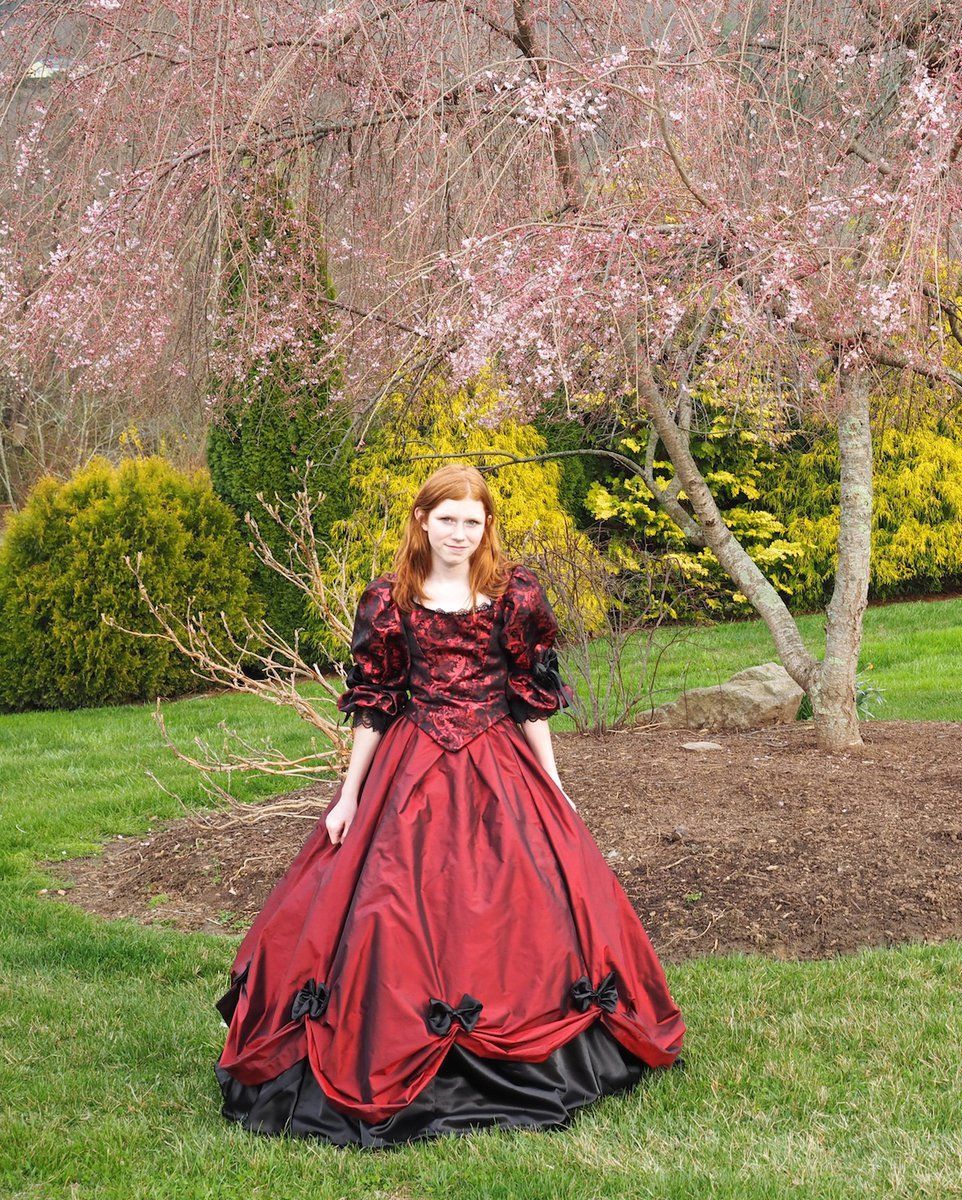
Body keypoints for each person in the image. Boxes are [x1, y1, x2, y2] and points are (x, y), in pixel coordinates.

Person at [213, 464, 686, 1148]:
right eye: (447, 519)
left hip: (501, 766)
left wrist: (554, 785)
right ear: (422, 521)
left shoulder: (514, 596)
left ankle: (532, 1047)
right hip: (411, 773)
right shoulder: (388, 601)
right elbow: (374, 705)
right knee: (389, 904)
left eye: (473, 520)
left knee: (524, 902)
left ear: (486, 525)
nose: (460, 533)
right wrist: (348, 798)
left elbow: (529, 696)